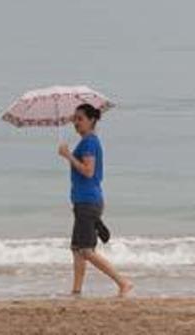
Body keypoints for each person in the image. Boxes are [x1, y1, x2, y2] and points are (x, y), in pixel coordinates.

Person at [57, 103, 132, 297]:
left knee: (86, 250)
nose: (76, 123)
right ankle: (76, 290)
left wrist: (68, 156)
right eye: (75, 119)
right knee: (76, 249)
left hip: (88, 201)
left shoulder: (89, 142)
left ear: (91, 120)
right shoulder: (87, 141)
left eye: (80, 119)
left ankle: (122, 282)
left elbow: (88, 171)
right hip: (85, 201)